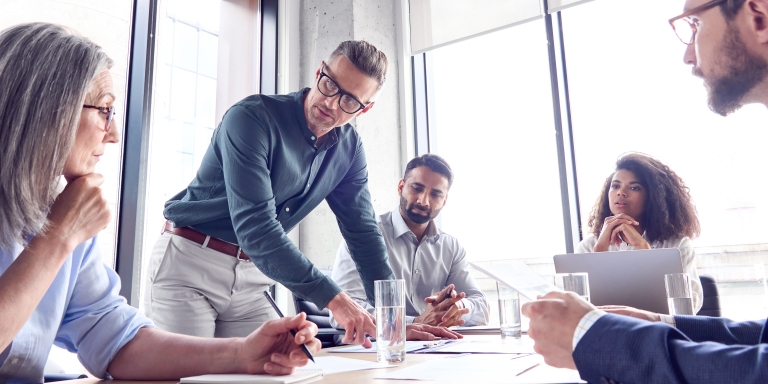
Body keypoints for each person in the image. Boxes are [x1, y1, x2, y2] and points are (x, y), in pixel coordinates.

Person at [0, 22, 320, 382]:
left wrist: (242, 352)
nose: (115, 134)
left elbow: (114, 340)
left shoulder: (63, 213)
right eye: (104, 110)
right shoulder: (66, 223)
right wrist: (58, 239)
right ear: (48, 111)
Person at [523, 0, 768, 382]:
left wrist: (598, 341)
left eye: (694, 25)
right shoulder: (594, 242)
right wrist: (656, 320)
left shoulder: (675, 242)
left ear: (759, 16)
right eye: (617, 186)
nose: (689, 56)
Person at [146, 40, 398, 347]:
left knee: (284, 370)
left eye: (349, 101)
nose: (331, 103)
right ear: (319, 71)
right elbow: (257, 228)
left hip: (252, 279)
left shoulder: (349, 148)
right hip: (190, 265)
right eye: (330, 85)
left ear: (365, 108)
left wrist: (393, 319)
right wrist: (334, 299)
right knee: (193, 378)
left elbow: (363, 232)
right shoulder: (252, 119)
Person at [331, 154, 489, 335]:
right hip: (375, 347)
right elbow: (344, 310)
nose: (423, 201)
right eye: (416, 188)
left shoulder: (451, 247)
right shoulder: (363, 235)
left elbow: (482, 306)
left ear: (444, 201)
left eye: (435, 194)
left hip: (432, 347)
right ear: (401, 187)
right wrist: (414, 322)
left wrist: (457, 307)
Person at [578, 152, 703, 312]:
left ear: (653, 197)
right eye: (615, 186)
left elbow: (688, 307)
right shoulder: (589, 246)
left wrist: (643, 248)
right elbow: (578, 311)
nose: (621, 192)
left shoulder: (677, 245)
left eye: (634, 187)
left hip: (658, 332)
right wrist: (599, 254)